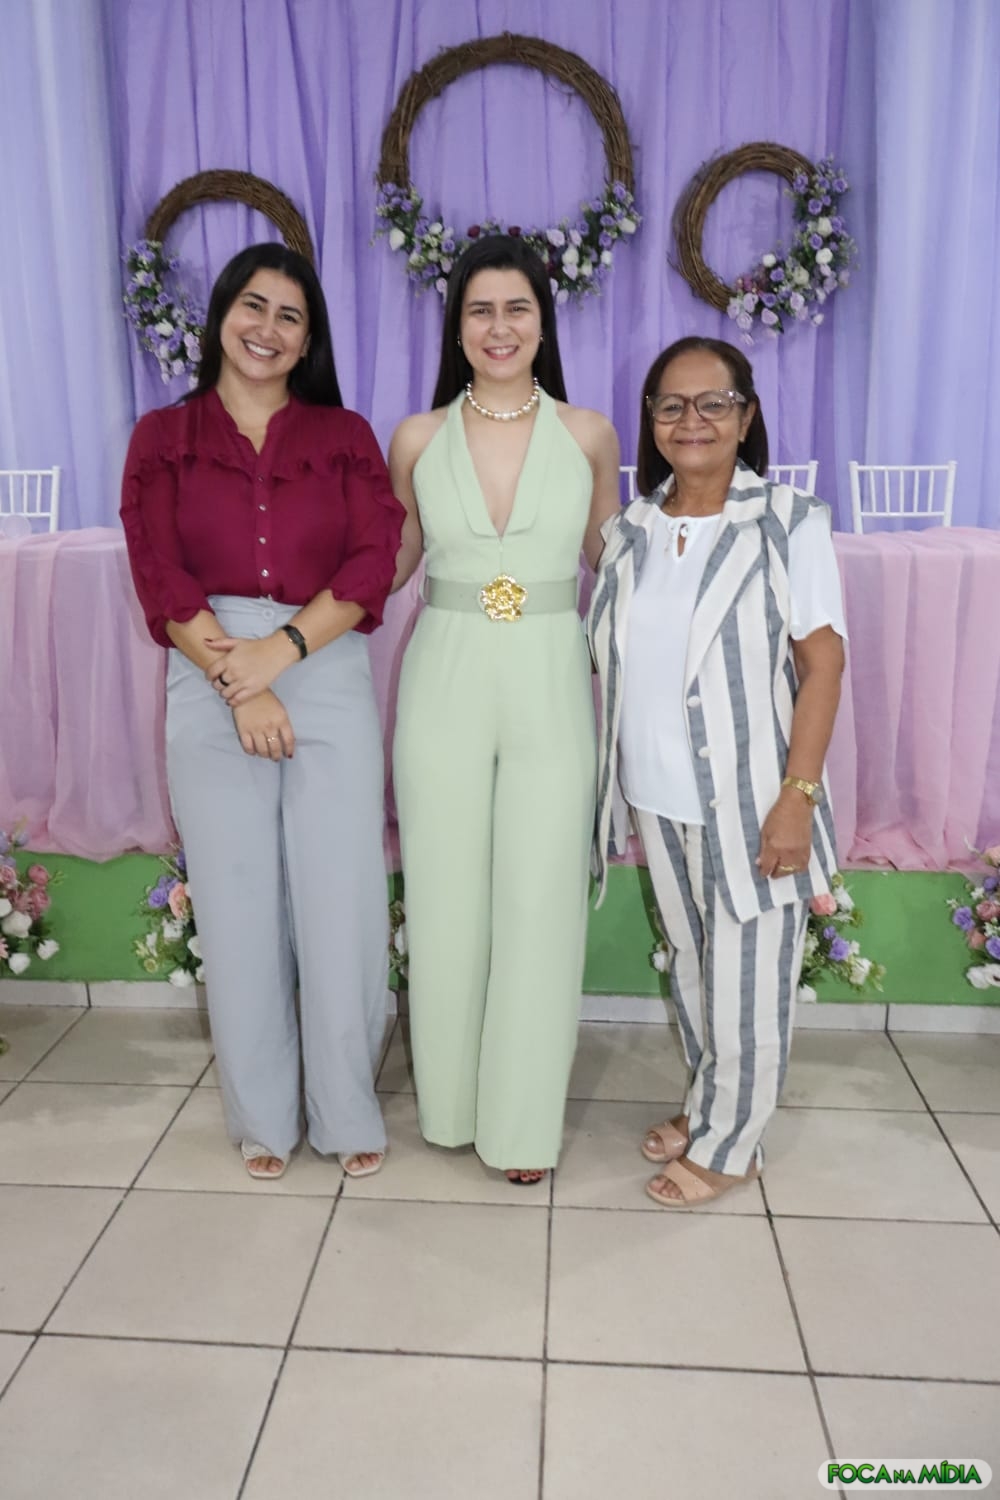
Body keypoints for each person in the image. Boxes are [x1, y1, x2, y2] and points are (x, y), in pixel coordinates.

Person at [121, 242, 404, 1181]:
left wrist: (275, 657)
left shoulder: (345, 435)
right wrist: (236, 678)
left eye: (290, 316)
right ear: (221, 317)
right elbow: (158, 570)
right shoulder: (162, 437)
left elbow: (373, 559)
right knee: (237, 900)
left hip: (320, 658)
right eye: (253, 306)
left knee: (342, 900)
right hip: (206, 668)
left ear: (308, 340)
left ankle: (346, 1107)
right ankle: (263, 1118)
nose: (267, 329)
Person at [588, 335, 846, 1207]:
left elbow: (823, 664)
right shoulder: (631, 531)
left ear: (746, 415)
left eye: (713, 403)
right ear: (651, 419)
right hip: (656, 794)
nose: (691, 420)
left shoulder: (788, 521)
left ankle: (734, 1145)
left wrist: (797, 797)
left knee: (749, 978)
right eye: (671, 404)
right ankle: (710, 1107)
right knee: (697, 967)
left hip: (754, 795)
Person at [389, 235, 620, 1183]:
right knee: (445, 898)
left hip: (551, 673)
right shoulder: (415, 438)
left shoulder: (589, 434)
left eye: (517, 308)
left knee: (541, 899)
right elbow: (391, 562)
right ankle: (449, 1109)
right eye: (479, 309)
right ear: (456, 327)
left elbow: (612, 558)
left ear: (543, 322)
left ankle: (522, 1128)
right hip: (442, 672)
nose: (499, 327)